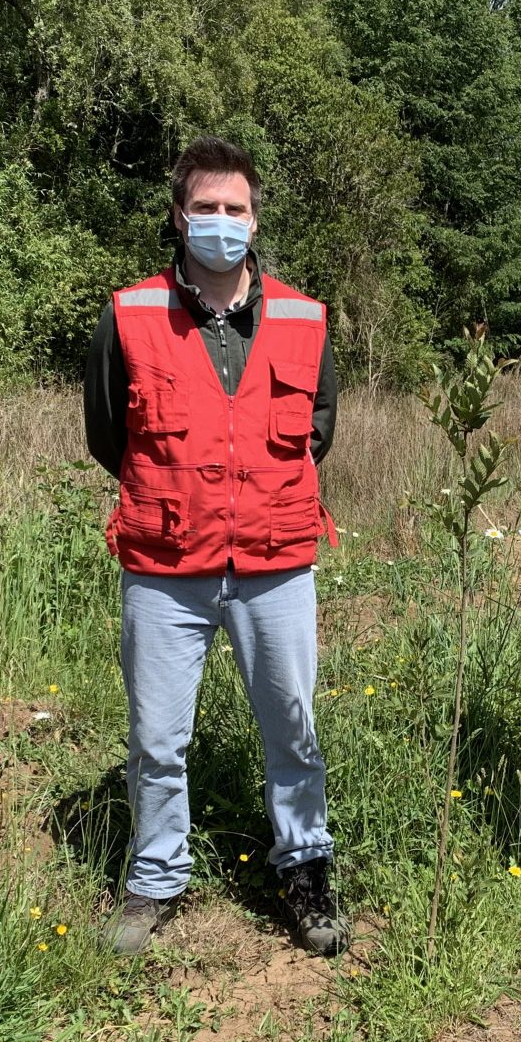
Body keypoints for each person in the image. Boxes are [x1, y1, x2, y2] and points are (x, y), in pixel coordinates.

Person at [83, 135, 347, 958]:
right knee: (157, 738)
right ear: (178, 215)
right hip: (165, 567)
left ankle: (304, 867)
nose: (221, 223)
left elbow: (320, 432)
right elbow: (106, 432)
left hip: (275, 564)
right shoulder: (129, 313)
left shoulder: (305, 317)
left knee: (293, 728)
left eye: (236, 209)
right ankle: (157, 876)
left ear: (256, 218)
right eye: (206, 208)